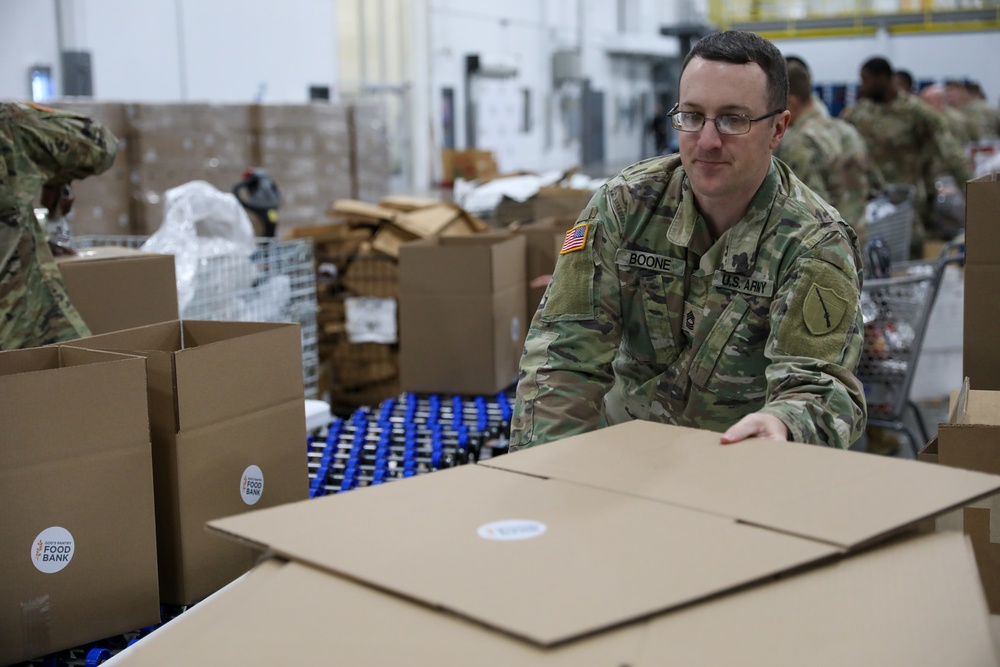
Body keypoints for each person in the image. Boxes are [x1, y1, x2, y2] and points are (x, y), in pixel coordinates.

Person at [510, 30, 866, 452]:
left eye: (734, 119)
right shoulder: (626, 205)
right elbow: (563, 356)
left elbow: (819, 384)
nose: (708, 141)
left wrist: (783, 421)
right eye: (693, 116)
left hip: (741, 465)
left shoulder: (812, 241)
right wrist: (549, 471)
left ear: (777, 129)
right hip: (627, 452)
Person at [0, 102, 118, 349]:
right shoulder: (9, 126)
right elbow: (100, 143)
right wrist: (54, 176)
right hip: (25, 350)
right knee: (88, 381)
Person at [841, 57, 971, 257]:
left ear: (883, 78)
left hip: (908, 209)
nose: (862, 86)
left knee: (908, 267)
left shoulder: (917, 113)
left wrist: (975, 195)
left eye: (866, 79)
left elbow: (951, 154)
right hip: (869, 207)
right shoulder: (858, 114)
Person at [776, 61, 881, 241]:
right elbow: (876, 184)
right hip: (858, 241)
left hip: (829, 251)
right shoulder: (846, 130)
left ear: (790, 102)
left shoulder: (799, 142)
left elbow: (807, 211)